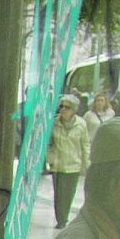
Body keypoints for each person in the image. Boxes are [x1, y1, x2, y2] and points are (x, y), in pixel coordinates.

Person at [47, 95, 90, 228]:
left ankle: (63, 218)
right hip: (57, 164)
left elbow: (85, 144)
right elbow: (48, 144)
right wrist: (50, 158)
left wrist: (87, 164)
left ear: (74, 110)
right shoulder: (54, 123)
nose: (63, 110)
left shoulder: (81, 124)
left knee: (68, 194)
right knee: (59, 194)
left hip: (73, 164)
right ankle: (61, 220)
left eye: (67, 107)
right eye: (61, 106)